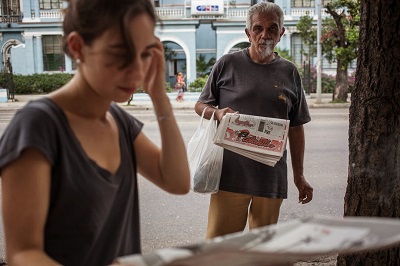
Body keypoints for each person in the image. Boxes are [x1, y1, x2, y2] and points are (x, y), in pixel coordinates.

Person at [0, 0, 190, 265]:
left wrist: (160, 96)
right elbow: (23, 253)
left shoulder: (118, 121)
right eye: (120, 53)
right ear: (78, 47)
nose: (137, 70)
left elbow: (177, 182)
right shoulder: (38, 125)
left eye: (146, 53)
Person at [194, 1, 313, 239]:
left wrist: (299, 176)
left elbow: (296, 127)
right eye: (258, 28)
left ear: (281, 33)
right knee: (221, 249)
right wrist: (216, 114)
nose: (265, 35)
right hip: (230, 175)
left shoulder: (289, 72)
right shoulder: (227, 64)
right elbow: (200, 105)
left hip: (270, 178)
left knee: (262, 252)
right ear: (248, 33)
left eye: (272, 29)